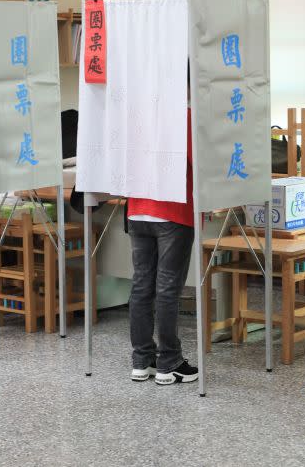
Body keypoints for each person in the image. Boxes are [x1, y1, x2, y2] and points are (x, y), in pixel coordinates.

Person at [126, 69, 197, 386]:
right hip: (173, 212)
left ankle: (142, 361)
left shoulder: (136, 116)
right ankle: (169, 364)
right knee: (167, 290)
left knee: (141, 287)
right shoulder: (184, 116)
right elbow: (201, 163)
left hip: (138, 210)